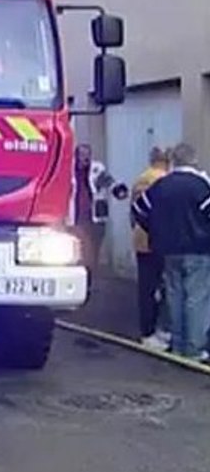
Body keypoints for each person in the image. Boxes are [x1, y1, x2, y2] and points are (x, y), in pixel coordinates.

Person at [132, 142, 210, 360]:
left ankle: (177, 346)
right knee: (197, 298)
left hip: (167, 251)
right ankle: (193, 349)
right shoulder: (201, 186)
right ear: (193, 159)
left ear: (174, 160)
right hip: (199, 251)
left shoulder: (161, 185)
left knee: (174, 297)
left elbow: (139, 210)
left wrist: (156, 231)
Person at [69, 144, 128, 291]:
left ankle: (89, 279)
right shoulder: (68, 170)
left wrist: (119, 191)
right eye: (82, 155)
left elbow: (109, 182)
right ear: (76, 156)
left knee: (93, 251)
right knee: (78, 251)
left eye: (87, 154)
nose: (85, 158)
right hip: (75, 218)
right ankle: (79, 280)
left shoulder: (96, 169)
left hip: (96, 217)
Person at [131, 147, 172, 350]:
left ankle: (147, 331)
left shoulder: (141, 178)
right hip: (157, 240)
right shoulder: (162, 180)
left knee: (146, 288)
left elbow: (135, 210)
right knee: (161, 287)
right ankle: (154, 331)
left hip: (140, 239)